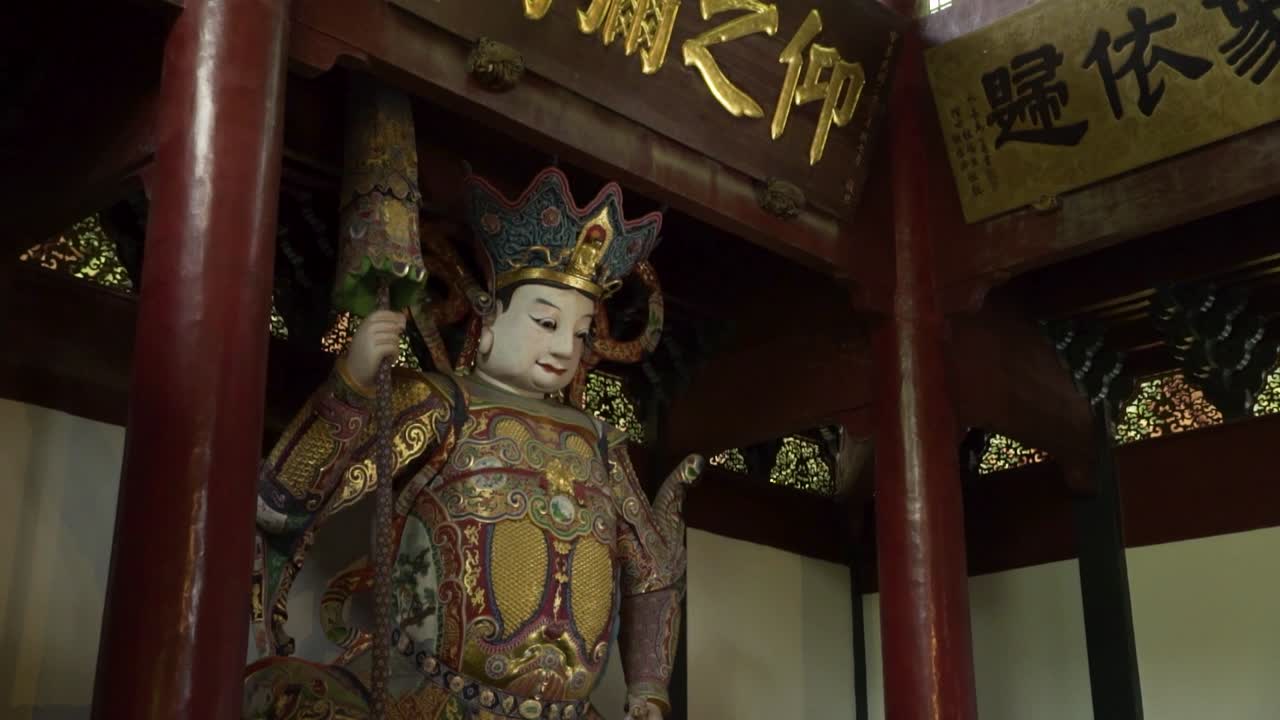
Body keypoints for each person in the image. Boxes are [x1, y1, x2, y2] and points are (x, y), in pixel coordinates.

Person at [244, 168, 700, 720]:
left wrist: (648, 688)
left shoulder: (600, 443)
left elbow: (651, 573)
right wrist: (352, 384)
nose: (564, 347)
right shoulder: (441, 404)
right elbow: (281, 499)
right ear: (487, 318)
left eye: (580, 333)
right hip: (432, 699)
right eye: (545, 322)